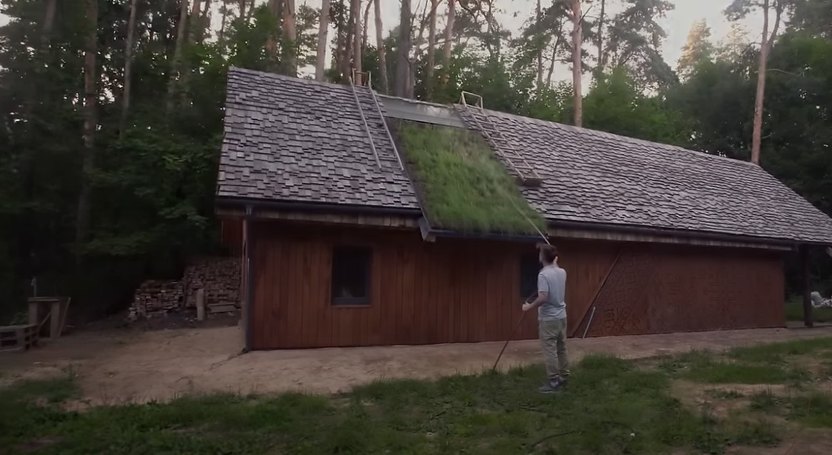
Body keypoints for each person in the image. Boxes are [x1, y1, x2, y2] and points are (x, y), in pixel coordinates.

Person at [522, 244, 569, 393]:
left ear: (542, 257)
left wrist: (528, 307)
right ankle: (564, 376)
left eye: (540, 253)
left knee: (550, 350)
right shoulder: (562, 272)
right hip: (562, 317)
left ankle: (553, 382)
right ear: (555, 258)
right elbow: (556, 269)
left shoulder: (543, 275)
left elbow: (543, 297)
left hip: (549, 319)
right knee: (561, 348)